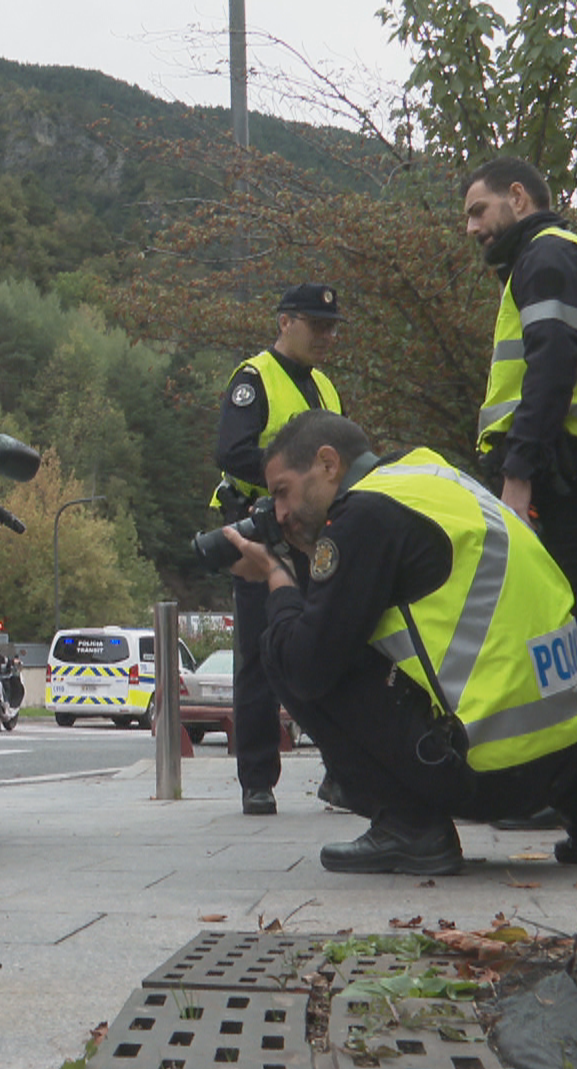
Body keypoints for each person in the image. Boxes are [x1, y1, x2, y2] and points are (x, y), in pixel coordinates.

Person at [223, 410, 577, 874]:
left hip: (489, 771)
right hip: (569, 755)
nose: (279, 513)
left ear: (328, 464)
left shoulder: (362, 515)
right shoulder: (432, 479)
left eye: (282, 491)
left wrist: (276, 576)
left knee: (282, 650)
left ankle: (409, 829)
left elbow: (308, 663)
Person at [462, 157, 577, 672]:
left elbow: (551, 365)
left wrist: (520, 472)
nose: (472, 228)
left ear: (518, 197)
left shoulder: (547, 256)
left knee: (574, 613)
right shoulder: (550, 257)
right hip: (571, 462)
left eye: (479, 211)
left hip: (563, 470)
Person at [209, 283, 345, 816]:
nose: (327, 336)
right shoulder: (254, 378)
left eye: (332, 327)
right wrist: (291, 481)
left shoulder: (327, 388)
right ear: (286, 322)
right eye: (318, 325)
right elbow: (231, 451)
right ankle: (258, 779)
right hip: (262, 529)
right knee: (261, 655)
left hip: (318, 532)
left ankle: (342, 771)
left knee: (332, 647)